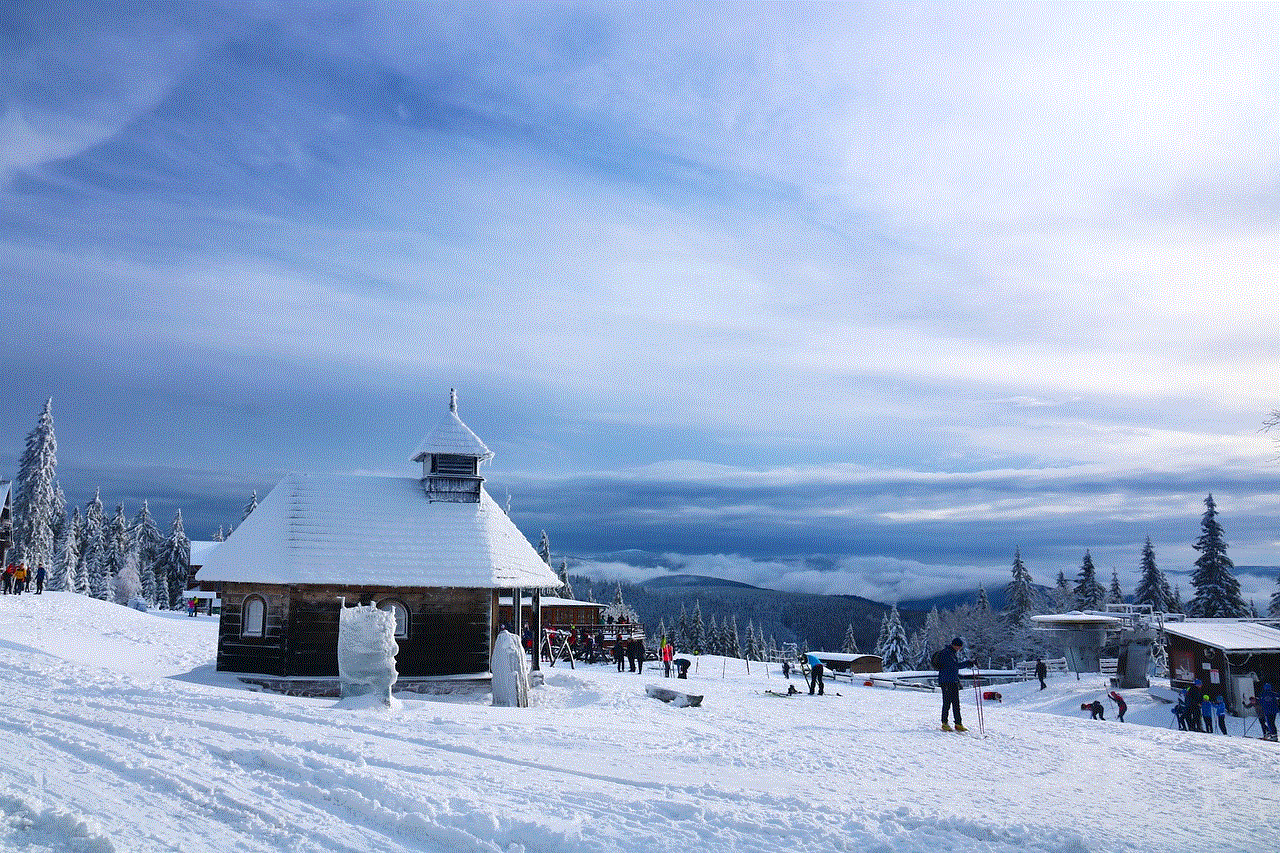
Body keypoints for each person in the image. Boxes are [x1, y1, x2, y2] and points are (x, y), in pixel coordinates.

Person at [935, 638, 975, 731]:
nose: (959, 648)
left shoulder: (951, 653)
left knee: (956, 703)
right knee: (947, 702)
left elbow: (954, 667)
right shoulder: (947, 653)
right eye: (958, 646)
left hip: (952, 680)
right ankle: (944, 723)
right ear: (954, 645)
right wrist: (968, 663)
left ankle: (958, 723)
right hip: (946, 681)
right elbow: (954, 666)